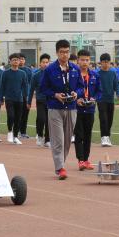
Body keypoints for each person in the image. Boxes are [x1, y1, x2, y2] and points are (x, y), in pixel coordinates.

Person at [38, 39, 85, 180]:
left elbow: (81, 87)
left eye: (67, 52)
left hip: (71, 108)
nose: (65, 55)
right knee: (58, 139)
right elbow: (43, 88)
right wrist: (55, 95)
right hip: (55, 108)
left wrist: (77, 93)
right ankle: (60, 168)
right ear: (57, 53)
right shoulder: (50, 69)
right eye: (62, 52)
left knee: (67, 140)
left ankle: (61, 164)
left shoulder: (75, 69)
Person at [73, 49, 100, 170]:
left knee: (88, 135)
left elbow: (100, 91)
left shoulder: (94, 75)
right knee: (79, 135)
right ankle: (80, 160)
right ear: (78, 61)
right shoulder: (73, 75)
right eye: (82, 60)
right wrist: (76, 100)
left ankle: (86, 160)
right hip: (77, 110)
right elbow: (70, 91)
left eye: (87, 60)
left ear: (90, 61)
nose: (85, 62)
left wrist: (95, 98)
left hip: (90, 109)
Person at [2, 53, 29, 144]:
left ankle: (16, 136)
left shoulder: (22, 73)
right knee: (11, 116)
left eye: (17, 60)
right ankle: (10, 131)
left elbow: (25, 86)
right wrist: (1, 98)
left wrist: (26, 97)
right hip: (9, 98)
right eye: (13, 60)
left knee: (18, 118)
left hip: (19, 99)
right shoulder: (5, 73)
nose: (16, 61)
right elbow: (2, 86)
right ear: (10, 62)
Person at [96, 52, 119, 147]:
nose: (106, 64)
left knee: (110, 118)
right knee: (103, 118)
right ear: (100, 63)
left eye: (107, 62)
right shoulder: (97, 74)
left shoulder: (112, 73)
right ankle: (104, 137)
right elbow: (94, 86)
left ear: (110, 62)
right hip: (101, 99)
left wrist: (118, 93)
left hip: (110, 99)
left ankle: (107, 136)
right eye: (104, 62)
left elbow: (117, 84)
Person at [29, 53, 51, 147]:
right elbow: (31, 89)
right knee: (41, 119)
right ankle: (40, 135)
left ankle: (47, 140)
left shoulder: (53, 74)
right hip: (40, 100)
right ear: (40, 63)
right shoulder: (36, 75)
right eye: (43, 62)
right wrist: (29, 102)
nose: (45, 64)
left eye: (47, 62)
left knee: (49, 121)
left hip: (51, 101)